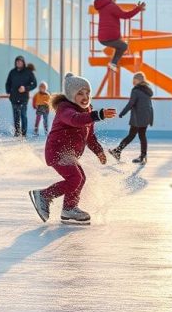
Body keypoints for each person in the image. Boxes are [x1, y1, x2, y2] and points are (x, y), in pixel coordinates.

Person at [28, 73, 116, 226]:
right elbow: (75, 120)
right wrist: (98, 115)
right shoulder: (65, 109)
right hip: (57, 152)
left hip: (69, 154)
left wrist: (98, 151)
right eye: (80, 93)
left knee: (80, 178)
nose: (85, 96)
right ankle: (44, 195)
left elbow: (90, 136)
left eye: (87, 92)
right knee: (75, 178)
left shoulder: (88, 110)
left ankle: (69, 208)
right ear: (70, 95)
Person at [93, 0, 146, 71]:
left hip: (102, 38)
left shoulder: (102, 7)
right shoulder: (111, 7)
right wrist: (138, 9)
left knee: (120, 44)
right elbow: (125, 16)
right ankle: (113, 63)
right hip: (110, 37)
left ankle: (113, 63)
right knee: (124, 46)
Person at [109, 71, 154, 165]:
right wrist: (150, 118)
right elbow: (149, 105)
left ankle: (117, 151)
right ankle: (143, 155)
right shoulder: (146, 90)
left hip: (138, 118)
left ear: (138, 80)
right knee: (141, 135)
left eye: (135, 79)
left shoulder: (136, 90)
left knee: (132, 135)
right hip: (146, 116)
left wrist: (122, 113)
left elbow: (131, 103)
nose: (133, 81)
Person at [5, 55, 37, 136]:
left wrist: (25, 88)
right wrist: (8, 91)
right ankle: (17, 132)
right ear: (15, 62)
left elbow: (34, 84)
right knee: (16, 116)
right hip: (14, 98)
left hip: (24, 98)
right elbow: (8, 83)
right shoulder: (12, 72)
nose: (18, 63)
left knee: (23, 115)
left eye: (20, 61)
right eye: (17, 61)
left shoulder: (28, 72)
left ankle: (23, 133)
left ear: (23, 62)